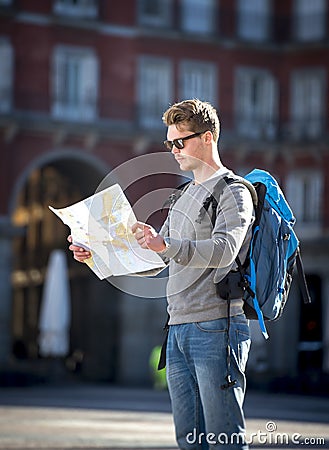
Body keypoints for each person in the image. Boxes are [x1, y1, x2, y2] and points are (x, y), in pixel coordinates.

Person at [69, 99, 254, 449]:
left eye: (180, 141)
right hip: (177, 328)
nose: (173, 150)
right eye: (169, 143)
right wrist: (96, 255)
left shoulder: (234, 191)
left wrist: (164, 244)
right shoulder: (182, 194)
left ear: (208, 138)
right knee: (189, 441)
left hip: (217, 327)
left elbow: (224, 250)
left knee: (224, 440)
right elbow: (156, 259)